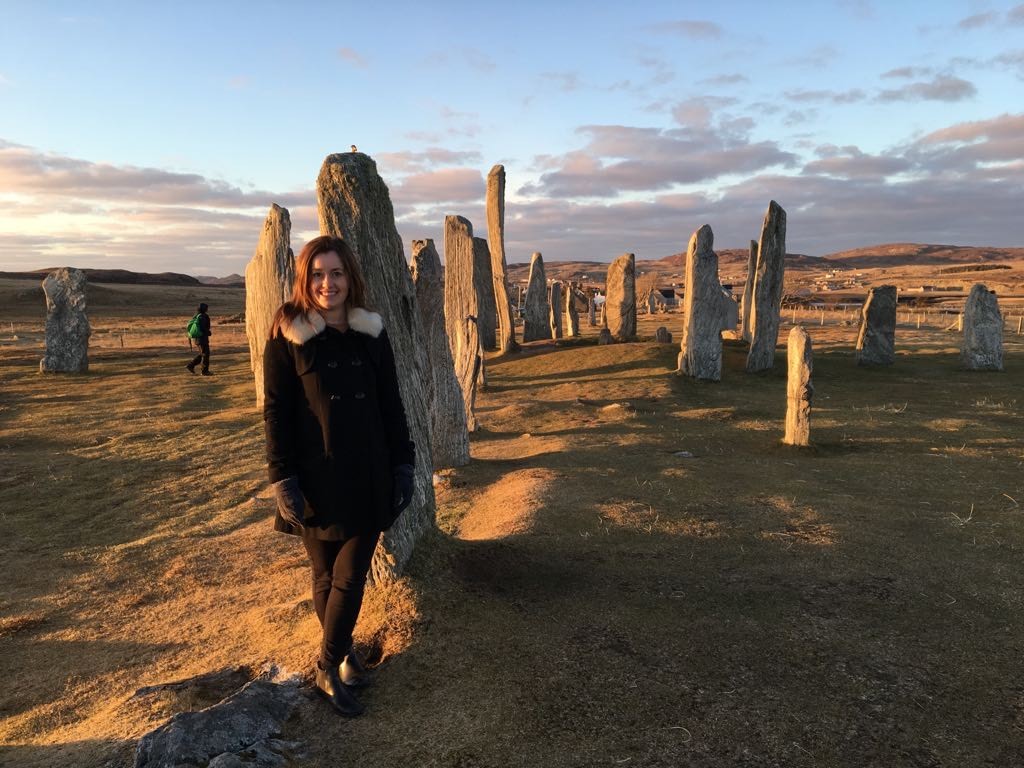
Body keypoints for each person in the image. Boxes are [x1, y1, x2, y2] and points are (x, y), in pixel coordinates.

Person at [262, 235, 415, 717]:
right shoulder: (289, 335)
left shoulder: (372, 332)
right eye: (318, 274)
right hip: (315, 477)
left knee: (349, 577)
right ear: (305, 280)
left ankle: (326, 665)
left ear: (351, 278)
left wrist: (404, 462)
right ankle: (343, 655)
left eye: (338, 273)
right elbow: (276, 412)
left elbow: (392, 403)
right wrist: (281, 477)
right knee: (324, 573)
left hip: (368, 472)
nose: (328, 283)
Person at [186, 302, 213, 375]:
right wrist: (208, 332)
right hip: (202, 338)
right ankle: (204, 371)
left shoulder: (197, 315)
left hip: (198, 338)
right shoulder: (202, 316)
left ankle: (191, 365)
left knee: (202, 354)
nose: (207, 309)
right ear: (204, 309)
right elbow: (203, 328)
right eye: (206, 308)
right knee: (205, 354)